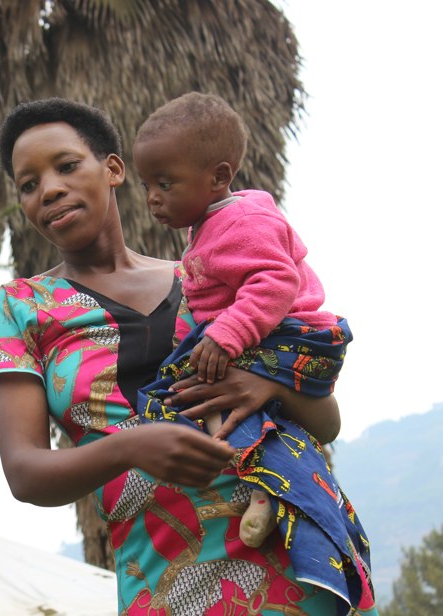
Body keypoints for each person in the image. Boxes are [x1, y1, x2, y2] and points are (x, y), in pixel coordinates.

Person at [0, 97, 376, 615]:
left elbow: (326, 420)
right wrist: (130, 448)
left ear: (114, 168)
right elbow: (25, 473)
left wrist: (269, 385)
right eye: (28, 185)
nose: (49, 189)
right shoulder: (19, 309)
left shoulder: (211, 277)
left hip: (298, 565)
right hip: (166, 583)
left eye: (67, 166)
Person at [130, 92, 352, 549]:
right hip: (271, 337)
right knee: (202, 393)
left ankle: (265, 487)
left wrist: (226, 335)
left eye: (165, 184)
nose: (152, 198)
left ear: (218, 177)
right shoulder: (210, 223)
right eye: (147, 185)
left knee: (203, 395)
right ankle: (258, 478)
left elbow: (275, 281)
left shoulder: (241, 222)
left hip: (292, 335)